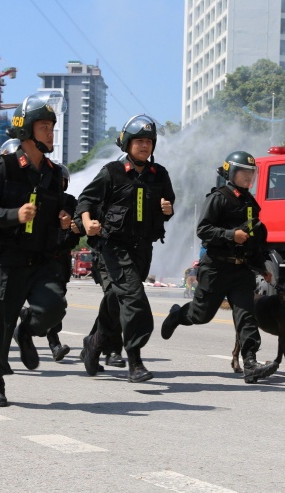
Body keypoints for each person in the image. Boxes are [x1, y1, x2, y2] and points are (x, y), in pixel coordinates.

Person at [0, 91, 70, 407]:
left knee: (53, 308)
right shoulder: (5, 168)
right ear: (27, 131)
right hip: (7, 258)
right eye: (44, 127)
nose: (51, 132)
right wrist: (13, 215)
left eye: (52, 127)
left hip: (41, 259)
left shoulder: (54, 173)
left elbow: (56, 209)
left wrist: (62, 218)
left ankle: (27, 331)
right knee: (0, 322)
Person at [160, 151, 279, 384]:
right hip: (215, 267)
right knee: (201, 315)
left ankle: (251, 363)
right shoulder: (219, 197)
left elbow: (252, 240)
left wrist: (259, 266)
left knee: (246, 315)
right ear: (231, 173)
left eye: (251, 173)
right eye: (244, 172)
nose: (248, 177)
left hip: (241, 270)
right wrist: (230, 235)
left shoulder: (251, 204)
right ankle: (177, 315)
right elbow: (203, 230)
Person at [76, 114, 175, 383]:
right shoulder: (112, 172)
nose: (145, 146)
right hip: (114, 247)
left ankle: (94, 343)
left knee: (117, 300)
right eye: (139, 141)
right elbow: (85, 199)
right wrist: (87, 223)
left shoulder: (159, 175)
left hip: (143, 249)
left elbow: (167, 205)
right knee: (133, 299)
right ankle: (135, 361)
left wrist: (168, 210)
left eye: (149, 141)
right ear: (128, 144)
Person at [42, 163, 80, 362]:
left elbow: (75, 235)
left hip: (60, 261)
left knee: (58, 302)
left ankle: (54, 342)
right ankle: (53, 342)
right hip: (39, 259)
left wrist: (70, 228)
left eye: (61, 181)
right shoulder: (40, 202)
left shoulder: (70, 202)